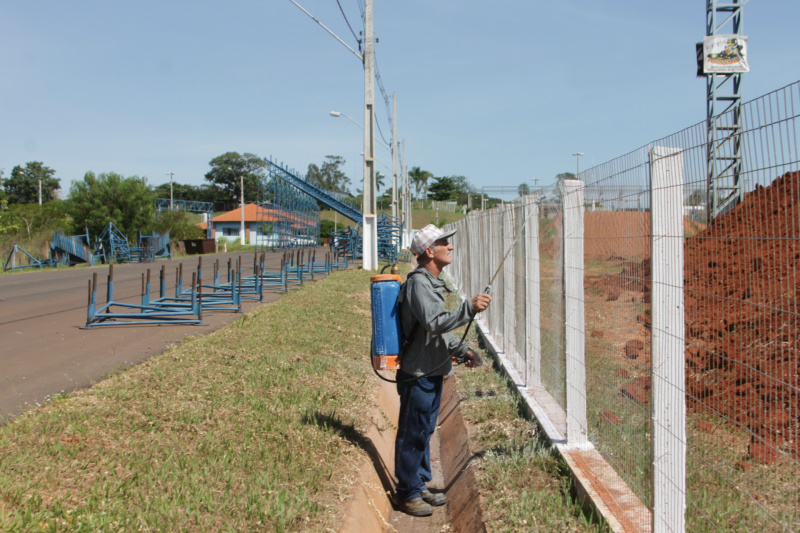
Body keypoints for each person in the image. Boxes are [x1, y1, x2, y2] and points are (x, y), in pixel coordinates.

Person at [394, 224, 492, 517]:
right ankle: (407, 492)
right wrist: (469, 307)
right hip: (418, 372)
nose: (450, 247)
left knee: (423, 431)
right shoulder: (419, 284)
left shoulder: (432, 282)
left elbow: (435, 332)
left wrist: (464, 350)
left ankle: (418, 484)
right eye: (444, 243)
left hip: (432, 369)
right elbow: (436, 322)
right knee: (413, 433)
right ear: (429, 251)